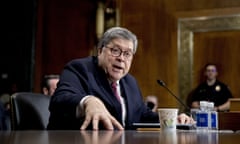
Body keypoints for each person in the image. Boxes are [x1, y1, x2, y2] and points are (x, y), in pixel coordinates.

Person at [47, 27, 194, 130]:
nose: (121, 59)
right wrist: (88, 101)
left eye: (127, 54)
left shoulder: (130, 82)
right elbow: (60, 99)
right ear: (100, 51)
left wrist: (173, 120)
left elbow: (142, 114)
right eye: (115, 50)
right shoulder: (80, 68)